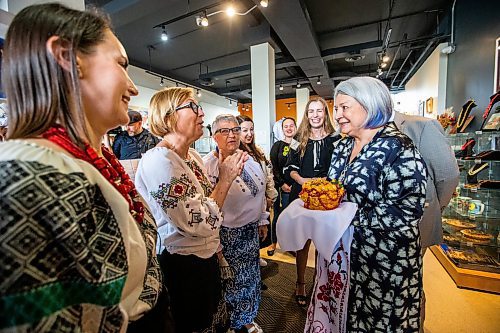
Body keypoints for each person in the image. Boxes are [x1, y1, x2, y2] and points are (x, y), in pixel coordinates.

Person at [0, 4, 162, 332]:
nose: (133, 88)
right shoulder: (27, 177)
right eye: (122, 64)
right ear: (66, 57)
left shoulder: (88, 161)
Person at [135, 88, 246, 333]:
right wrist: (225, 179)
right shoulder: (159, 161)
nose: (201, 112)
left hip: (204, 259)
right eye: (192, 107)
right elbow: (198, 222)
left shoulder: (192, 155)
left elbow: (207, 205)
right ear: (167, 117)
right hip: (182, 264)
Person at [328, 76, 427, 332]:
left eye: (344, 107)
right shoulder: (341, 146)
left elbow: (407, 211)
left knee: (382, 323)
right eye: (335, 108)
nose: (337, 115)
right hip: (348, 255)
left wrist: (348, 218)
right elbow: (335, 190)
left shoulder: (398, 148)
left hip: (386, 261)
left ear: (369, 105)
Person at [393, 111, 459, 329]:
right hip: (381, 228)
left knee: (408, 285)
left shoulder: (421, 126)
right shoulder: (366, 129)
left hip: (414, 225)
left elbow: (447, 176)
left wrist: (434, 208)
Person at [203, 114, 268, 333]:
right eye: (224, 131)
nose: (231, 134)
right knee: (232, 283)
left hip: (250, 231)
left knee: (250, 279)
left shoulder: (247, 157)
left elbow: (260, 192)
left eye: (235, 129)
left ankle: (247, 317)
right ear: (214, 136)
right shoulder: (209, 166)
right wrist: (217, 244)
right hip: (227, 236)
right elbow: (208, 206)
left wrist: (262, 219)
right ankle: (233, 322)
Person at [283, 97, 338, 306]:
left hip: (327, 198)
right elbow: (290, 167)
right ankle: (300, 283)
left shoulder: (335, 138)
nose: (315, 115)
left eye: (319, 111)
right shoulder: (298, 137)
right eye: (311, 111)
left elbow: (339, 168)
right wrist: (303, 181)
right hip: (302, 196)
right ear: (306, 115)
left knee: (326, 243)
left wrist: (324, 182)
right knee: (303, 242)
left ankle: (323, 283)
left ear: (325, 113)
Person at [236, 115, 277, 268]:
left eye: (251, 130)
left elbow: (268, 173)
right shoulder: (237, 153)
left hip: (264, 198)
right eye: (244, 130)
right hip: (248, 203)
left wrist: (270, 195)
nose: (249, 134)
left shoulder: (257, 150)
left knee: (261, 231)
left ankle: (256, 256)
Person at [268, 117, 297, 256]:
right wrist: (282, 184)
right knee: (279, 216)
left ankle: (290, 244)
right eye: (286, 126)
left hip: (296, 189)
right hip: (281, 188)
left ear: (295, 127)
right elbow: (273, 167)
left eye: (292, 125)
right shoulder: (277, 145)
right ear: (282, 129)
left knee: (293, 218)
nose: (289, 128)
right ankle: (273, 243)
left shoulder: (299, 145)